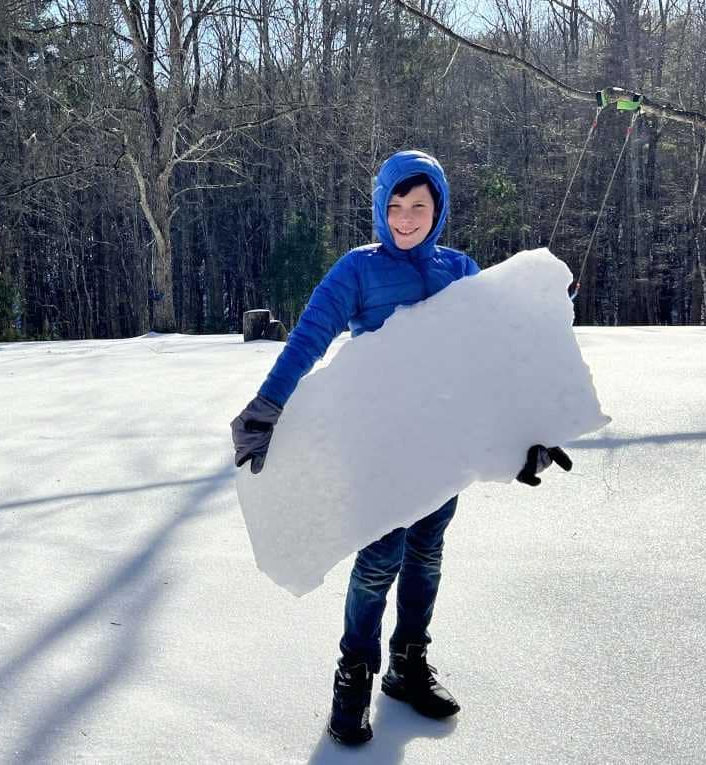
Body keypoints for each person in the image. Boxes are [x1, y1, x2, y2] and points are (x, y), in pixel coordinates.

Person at [230, 149, 571, 746]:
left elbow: (497, 359)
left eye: (419, 206)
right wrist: (268, 405)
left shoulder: (462, 270)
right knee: (379, 560)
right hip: (381, 446)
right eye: (394, 206)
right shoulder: (358, 271)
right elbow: (309, 337)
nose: (406, 218)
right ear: (379, 208)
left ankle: (408, 664)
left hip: (442, 446)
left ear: (438, 209)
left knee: (427, 555)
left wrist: (528, 432)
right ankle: (354, 673)